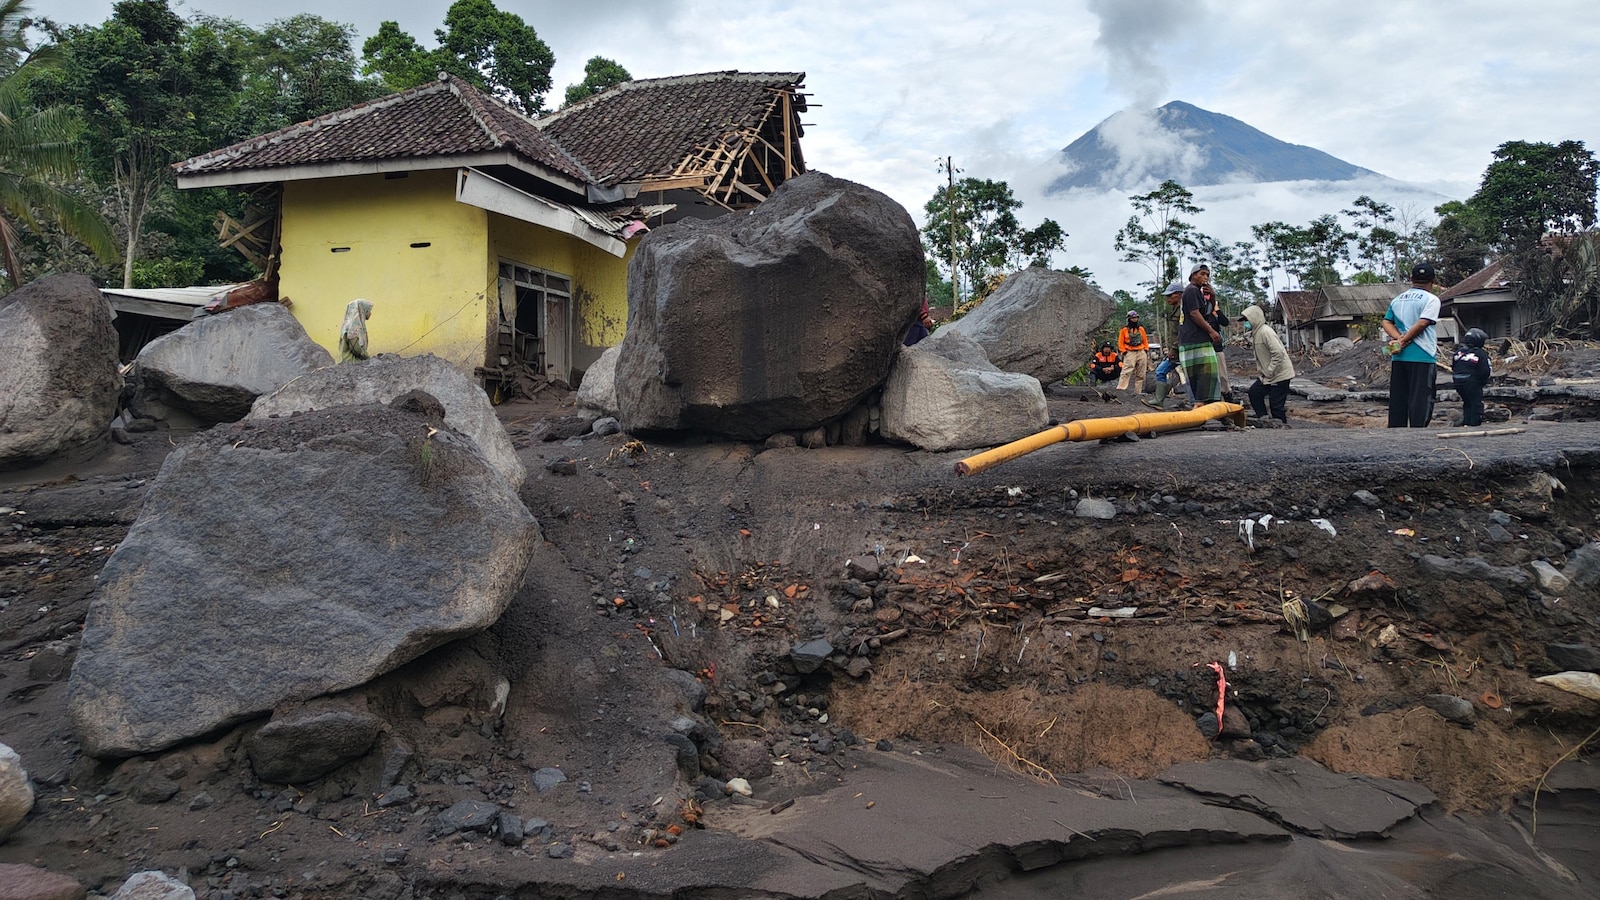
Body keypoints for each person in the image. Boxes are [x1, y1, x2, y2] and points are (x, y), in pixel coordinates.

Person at [1382, 264, 1442, 427]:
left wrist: (1397, 339)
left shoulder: (1398, 299)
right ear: (1433, 280)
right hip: (1423, 355)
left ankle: (1396, 430)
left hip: (1399, 356)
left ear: (1411, 279)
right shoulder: (1432, 299)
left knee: (1399, 397)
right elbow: (1423, 323)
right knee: (1421, 397)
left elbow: (1386, 321)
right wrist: (1403, 340)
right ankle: (1418, 433)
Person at [1238, 304, 1295, 427]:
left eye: (1247, 320)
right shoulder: (1256, 332)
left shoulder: (1266, 332)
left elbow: (1278, 352)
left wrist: (1269, 370)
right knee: (1254, 393)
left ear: (1254, 319)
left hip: (1279, 374)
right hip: (1268, 375)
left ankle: (1282, 429)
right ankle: (1264, 419)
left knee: (1276, 406)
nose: (1245, 324)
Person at [1177, 264, 1224, 402]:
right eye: (1202, 274)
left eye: (1207, 275)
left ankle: (1203, 403)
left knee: (1204, 375)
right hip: (1195, 339)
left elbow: (1207, 312)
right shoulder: (1192, 290)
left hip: (1195, 339)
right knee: (1204, 374)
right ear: (1193, 275)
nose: (1205, 277)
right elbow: (1194, 313)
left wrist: (1213, 296)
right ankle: (1202, 404)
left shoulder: (1198, 292)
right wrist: (1211, 331)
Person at [1452, 327, 1491, 426]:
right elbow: (1485, 371)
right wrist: (1481, 382)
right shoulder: (1480, 354)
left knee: (1467, 402)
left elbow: (1454, 367)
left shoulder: (1458, 353)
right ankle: (1474, 424)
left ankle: (1466, 421)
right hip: (1472, 382)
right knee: (1476, 403)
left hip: (1458, 382)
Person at [1142, 345, 1189, 410]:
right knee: (1160, 371)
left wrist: (1173, 349)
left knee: (1191, 375)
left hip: (1185, 350)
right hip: (1176, 352)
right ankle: (1158, 401)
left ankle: (1193, 402)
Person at [1116, 310, 1151, 394]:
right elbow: (1120, 342)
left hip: (1141, 351)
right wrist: (1124, 351)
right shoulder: (1124, 330)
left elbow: (1145, 340)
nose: (1135, 320)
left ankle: (1138, 392)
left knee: (1141, 373)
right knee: (1126, 371)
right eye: (1133, 318)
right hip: (1130, 352)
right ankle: (1121, 390)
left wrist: (1146, 349)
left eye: (1136, 318)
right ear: (1129, 319)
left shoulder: (1141, 329)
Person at [339, 298, 374, 363]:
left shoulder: (347, 325)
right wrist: (367, 357)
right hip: (351, 362)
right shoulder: (354, 327)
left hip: (343, 361)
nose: (369, 313)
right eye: (367, 310)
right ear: (361, 310)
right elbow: (356, 349)